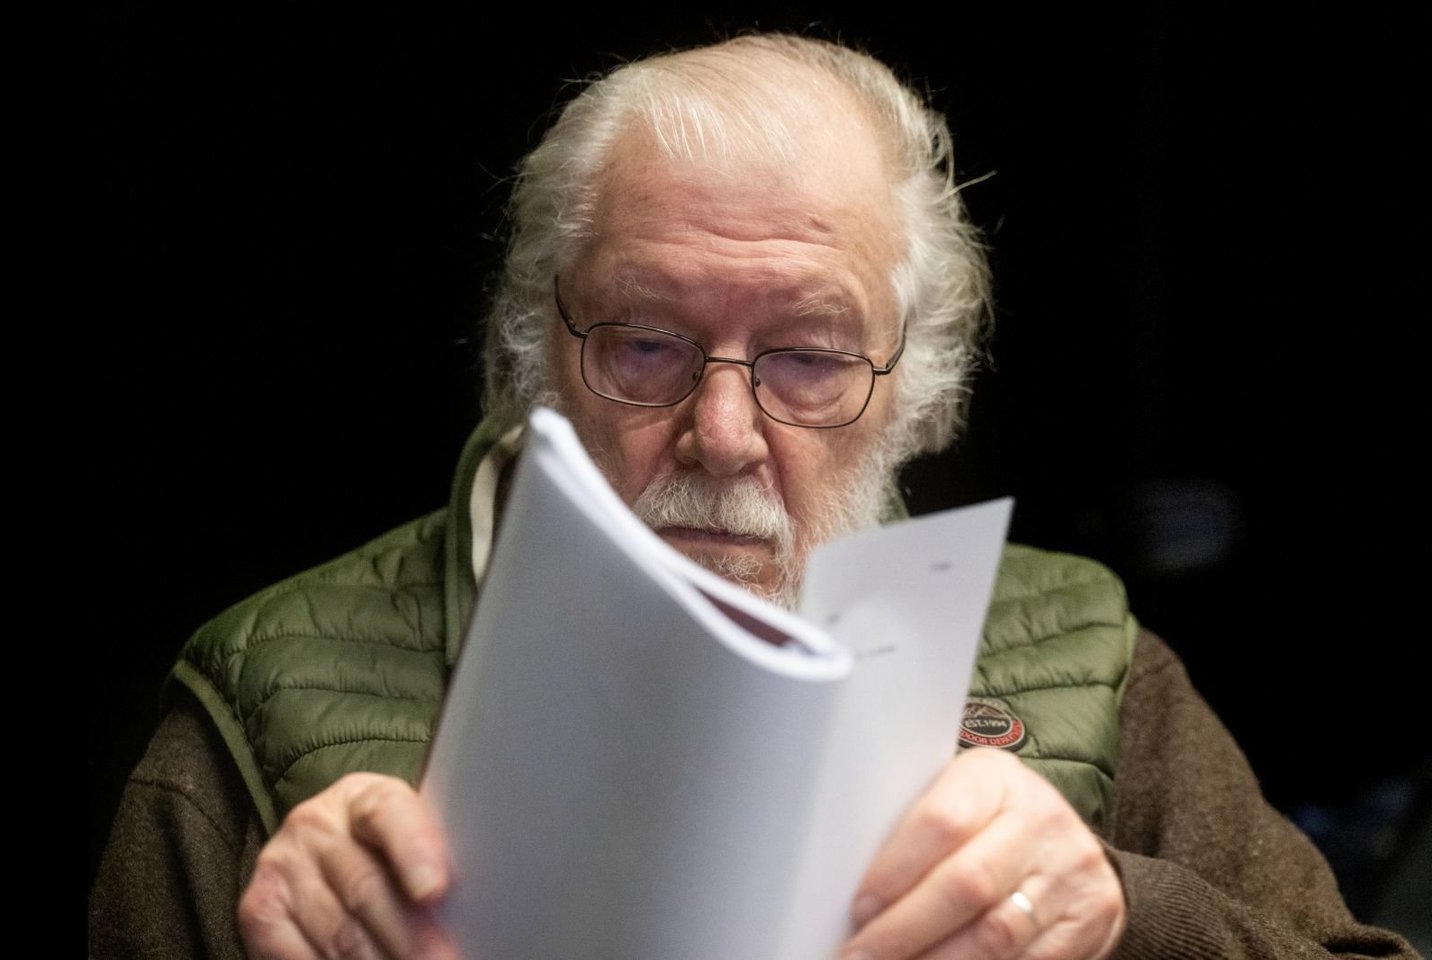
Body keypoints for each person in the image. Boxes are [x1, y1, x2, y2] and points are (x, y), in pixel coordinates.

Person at [88, 31, 1419, 960]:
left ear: (915, 388)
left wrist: (1128, 916)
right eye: (645, 343)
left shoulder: (1090, 656)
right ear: (536, 351)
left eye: (809, 357)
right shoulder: (262, 698)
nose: (720, 434)